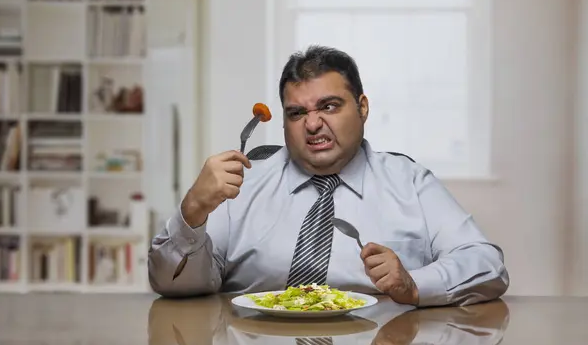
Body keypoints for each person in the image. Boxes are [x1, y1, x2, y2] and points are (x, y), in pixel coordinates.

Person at [148, 45, 509, 307]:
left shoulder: (410, 181)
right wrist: (193, 209)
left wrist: (416, 284)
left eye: (329, 106)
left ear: (362, 108)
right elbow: (174, 285)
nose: (313, 124)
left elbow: (486, 264)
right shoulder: (243, 183)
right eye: (296, 113)